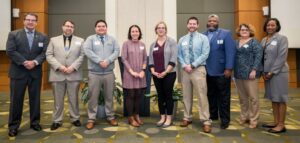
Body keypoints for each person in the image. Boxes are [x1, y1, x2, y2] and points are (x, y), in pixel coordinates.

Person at [6, 13, 48, 137]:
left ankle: (35, 123)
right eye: (28, 20)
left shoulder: (43, 36)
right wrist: (24, 62)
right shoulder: (13, 34)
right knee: (16, 100)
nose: (30, 22)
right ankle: (13, 126)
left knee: (35, 100)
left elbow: (45, 53)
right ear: (23, 21)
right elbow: (10, 51)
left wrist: (34, 62)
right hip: (18, 72)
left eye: (33, 20)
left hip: (35, 73)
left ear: (36, 22)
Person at [46, 20, 84, 130]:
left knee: (74, 99)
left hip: (74, 74)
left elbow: (82, 56)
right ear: (63, 27)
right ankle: (57, 120)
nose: (69, 28)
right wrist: (60, 67)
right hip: (58, 74)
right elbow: (49, 55)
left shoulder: (80, 41)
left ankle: (75, 118)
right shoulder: (53, 40)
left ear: (74, 28)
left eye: (71, 26)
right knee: (58, 100)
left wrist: (72, 67)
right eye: (67, 26)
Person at [84, 19, 120, 130]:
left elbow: (117, 51)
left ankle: (110, 117)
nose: (101, 28)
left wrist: (108, 61)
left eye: (103, 26)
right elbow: (87, 51)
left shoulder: (112, 39)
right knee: (93, 97)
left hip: (108, 73)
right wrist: (100, 61)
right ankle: (91, 119)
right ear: (95, 28)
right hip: (94, 73)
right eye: (99, 26)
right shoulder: (90, 39)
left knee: (109, 96)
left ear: (106, 28)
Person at [178, 17, 212, 133]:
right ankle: (187, 117)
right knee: (186, 96)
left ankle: (206, 120)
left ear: (197, 25)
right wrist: (184, 65)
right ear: (187, 25)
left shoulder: (203, 38)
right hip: (185, 71)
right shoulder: (182, 39)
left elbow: (205, 54)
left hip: (198, 69)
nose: (192, 25)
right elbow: (179, 55)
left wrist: (192, 65)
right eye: (190, 23)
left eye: (194, 24)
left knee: (202, 96)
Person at [203, 14, 236, 129]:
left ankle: (225, 120)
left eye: (214, 21)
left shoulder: (225, 34)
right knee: (210, 95)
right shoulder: (203, 35)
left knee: (224, 97)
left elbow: (231, 52)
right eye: (210, 20)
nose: (212, 22)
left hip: (222, 71)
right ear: (207, 22)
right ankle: (213, 115)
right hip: (207, 71)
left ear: (218, 22)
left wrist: (229, 68)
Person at [261, 18, 289, 133]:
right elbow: (262, 57)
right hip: (267, 73)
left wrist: (271, 72)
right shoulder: (263, 40)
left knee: (281, 98)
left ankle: (281, 124)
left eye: (273, 25)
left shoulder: (282, 39)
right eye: (268, 25)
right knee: (274, 98)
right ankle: (276, 121)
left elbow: (281, 57)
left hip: (278, 73)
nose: (270, 27)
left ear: (277, 26)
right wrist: (263, 71)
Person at [234, 24, 263, 128]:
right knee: (242, 98)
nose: (244, 31)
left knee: (253, 98)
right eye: (242, 29)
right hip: (238, 74)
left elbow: (258, 57)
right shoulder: (236, 42)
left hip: (251, 74)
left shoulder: (254, 42)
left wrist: (254, 70)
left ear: (250, 31)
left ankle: (254, 119)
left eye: (246, 29)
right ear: (239, 31)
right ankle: (244, 116)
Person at [149, 21, 177, 128]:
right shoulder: (153, 45)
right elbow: (150, 60)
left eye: (163, 28)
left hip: (169, 74)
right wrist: (153, 72)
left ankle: (169, 118)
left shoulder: (172, 42)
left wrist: (165, 72)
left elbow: (173, 59)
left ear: (165, 30)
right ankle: (162, 117)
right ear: (156, 30)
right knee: (160, 96)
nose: (161, 29)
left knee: (168, 95)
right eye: (159, 28)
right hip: (156, 75)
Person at [121, 25, 147, 127]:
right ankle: (130, 117)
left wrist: (143, 70)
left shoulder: (142, 44)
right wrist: (131, 71)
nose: (135, 33)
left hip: (140, 74)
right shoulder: (126, 44)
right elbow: (124, 59)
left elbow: (145, 59)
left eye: (137, 31)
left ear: (139, 33)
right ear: (130, 33)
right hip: (129, 74)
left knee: (138, 95)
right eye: (133, 31)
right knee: (130, 95)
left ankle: (137, 115)